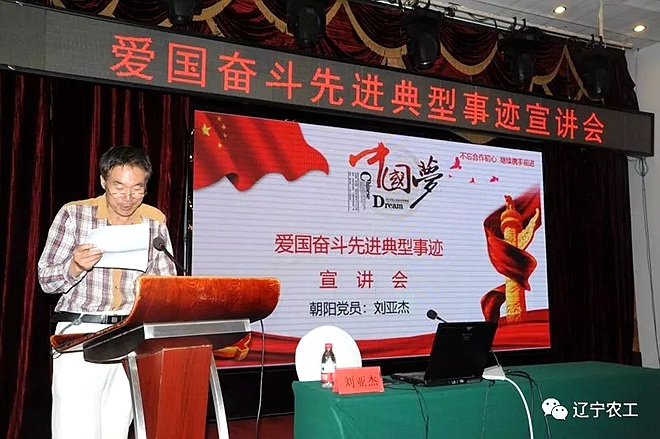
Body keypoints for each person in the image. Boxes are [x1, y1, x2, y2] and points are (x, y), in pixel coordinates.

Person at [38, 145, 177, 439]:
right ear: (103, 181)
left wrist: (156, 290)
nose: (128, 197)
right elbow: (46, 280)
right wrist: (75, 266)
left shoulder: (154, 222)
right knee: (76, 429)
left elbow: (167, 282)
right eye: (119, 187)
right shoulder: (75, 215)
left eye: (137, 188)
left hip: (130, 335)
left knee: (117, 427)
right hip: (81, 333)